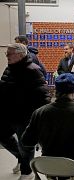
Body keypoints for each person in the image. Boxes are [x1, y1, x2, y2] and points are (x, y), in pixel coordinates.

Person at [0, 43, 51, 180]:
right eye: (7, 53)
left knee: (26, 146)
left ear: (20, 54)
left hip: (25, 117)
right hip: (8, 115)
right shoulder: (8, 69)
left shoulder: (33, 70)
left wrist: (40, 118)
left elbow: (44, 96)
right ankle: (21, 159)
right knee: (3, 136)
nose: (7, 56)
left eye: (9, 53)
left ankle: (27, 172)